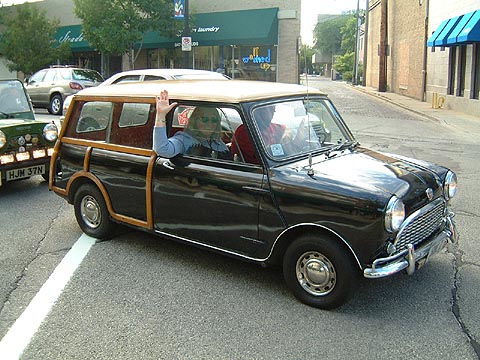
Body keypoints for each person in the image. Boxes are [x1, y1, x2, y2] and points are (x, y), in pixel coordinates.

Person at [152, 90, 231, 159]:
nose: (210, 123)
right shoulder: (184, 139)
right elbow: (162, 150)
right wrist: (161, 115)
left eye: (214, 120)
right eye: (205, 119)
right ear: (195, 121)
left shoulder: (217, 142)